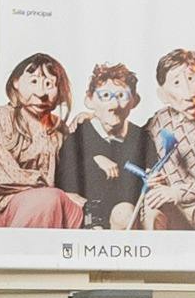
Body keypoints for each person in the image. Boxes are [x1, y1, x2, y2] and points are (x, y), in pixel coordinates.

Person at [54, 61, 155, 230]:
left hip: (126, 219)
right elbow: (64, 186)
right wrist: (94, 158)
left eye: (122, 96)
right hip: (85, 220)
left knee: (125, 214)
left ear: (135, 101)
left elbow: (149, 177)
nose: (114, 106)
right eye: (106, 96)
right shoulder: (77, 136)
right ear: (89, 100)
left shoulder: (142, 138)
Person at [0, 52, 84, 228]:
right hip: (7, 208)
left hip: (54, 205)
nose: (41, 93)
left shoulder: (59, 128)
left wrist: (90, 124)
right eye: (34, 82)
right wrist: (55, 193)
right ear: (16, 83)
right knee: (49, 200)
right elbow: (3, 176)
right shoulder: (0, 118)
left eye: (49, 85)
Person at [139, 48, 195, 233]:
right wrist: (88, 118)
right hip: (174, 211)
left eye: (191, 78)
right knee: (152, 203)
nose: (188, 93)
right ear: (163, 95)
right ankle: (156, 261)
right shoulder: (159, 121)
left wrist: (178, 192)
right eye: (176, 83)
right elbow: (131, 140)